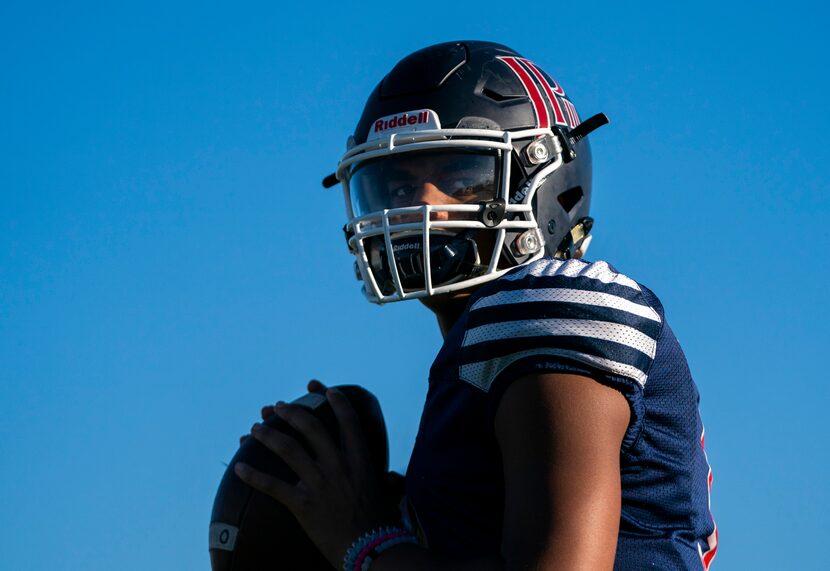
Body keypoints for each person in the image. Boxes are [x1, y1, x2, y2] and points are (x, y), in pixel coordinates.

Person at [234, 40, 718, 570]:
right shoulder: (482, 348)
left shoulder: (548, 303)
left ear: (551, 181)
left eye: (461, 178)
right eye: (396, 185)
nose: (422, 204)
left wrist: (363, 538)